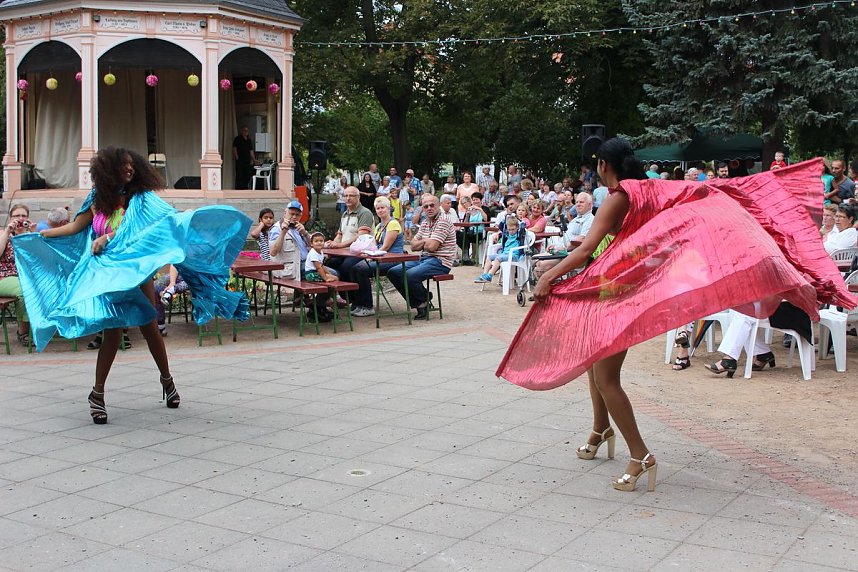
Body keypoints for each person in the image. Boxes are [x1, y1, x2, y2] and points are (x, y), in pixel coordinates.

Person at [17, 146, 251, 424]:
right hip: (110, 274)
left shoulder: (141, 199)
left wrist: (107, 237)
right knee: (113, 333)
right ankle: (97, 394)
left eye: (132, 165)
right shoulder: (97, 198)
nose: (129, 169)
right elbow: (74, 228)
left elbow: (149, 226)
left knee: (150, 327)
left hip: (137, 271)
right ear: (108, 169)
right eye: (123, 165)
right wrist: (38, 234)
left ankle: (167, 381)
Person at [526, 138, 657, 492]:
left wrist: (549, 276)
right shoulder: (643, 192)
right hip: (618, 288)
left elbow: (585, 248)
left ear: (602, 165)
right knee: (592, 363)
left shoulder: (617, 198)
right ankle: (601, 428)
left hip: (618, 294)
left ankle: (641, 454)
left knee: (606, 378)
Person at [387, 194, 457, 320]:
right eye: (426, 206)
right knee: (393, 272)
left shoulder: (444, 220)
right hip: (424, 259)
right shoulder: (425, 222)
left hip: (441, 262)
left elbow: (432, 247)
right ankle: (422, 300)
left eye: (432, 205)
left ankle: (422, 302)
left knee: (410, 275)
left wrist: (424, 242)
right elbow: (412, 246)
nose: (429, 208)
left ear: (438, 205)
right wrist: (427, 241)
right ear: (423, 209)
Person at [350, 196, 404, 317]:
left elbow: (385, 247)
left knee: (362, 269)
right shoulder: (379, 226)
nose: (380, 211)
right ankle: (358, 303)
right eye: (378, 208)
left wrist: (371, 256)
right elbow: (374, 244)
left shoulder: (393, 224)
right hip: (380, 257)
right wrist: (367, 253)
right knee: (354, 267)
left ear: (389, 208)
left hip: (393, 258)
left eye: (382, 208)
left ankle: (368, 306)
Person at [0, 204, 32, 346]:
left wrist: (31, 233)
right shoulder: (3, 234)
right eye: (16, 216)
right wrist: (7, 232)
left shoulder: (30, 235)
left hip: (27, 277)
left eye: (23, 216)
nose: (20, 219)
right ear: (10, 218)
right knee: (24, 290)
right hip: (4, 277)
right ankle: (23, 331)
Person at [475, 215, 525, 283]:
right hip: (504, 253)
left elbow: (523, 226)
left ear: (517, 227)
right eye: (509, 229)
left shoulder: (519, 234)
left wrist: (519, 219)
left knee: (498, 258)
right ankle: (485, 275)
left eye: (513, 229)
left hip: (514, 255)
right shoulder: (506, 234)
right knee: (489, 257)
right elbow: (501, 226)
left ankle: (490, 275)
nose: (511, 231)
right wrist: (505, 218)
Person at [154, 265, 188, 336]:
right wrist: (172, 282)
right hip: (180, 274)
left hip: (195, 278)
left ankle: (169, 293)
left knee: (188, 283)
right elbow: (174, 264)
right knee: (156, 284)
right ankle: (164, 295)